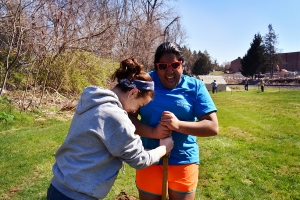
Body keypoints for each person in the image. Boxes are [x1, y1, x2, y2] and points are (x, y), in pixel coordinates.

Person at [47, 57, 174, 200]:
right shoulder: (115, 116)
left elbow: (112, 146)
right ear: (132, 93)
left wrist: (149, 151)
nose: (135, 111)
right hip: (77, 195)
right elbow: (139, 160)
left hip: (59, 187)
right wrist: (164, 148)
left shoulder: (95, 101)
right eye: (139, 105)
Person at [129, 42, 219, 200]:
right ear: (157, 66)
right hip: (149, 159)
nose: (169, 71)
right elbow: (127, 119)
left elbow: (212, 126)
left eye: (175, 65)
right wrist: (153, 132)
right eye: (163, 66)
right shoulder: (145, 84)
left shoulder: (195, 86)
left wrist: (178, 125)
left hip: (184, 161)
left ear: (182, 65)